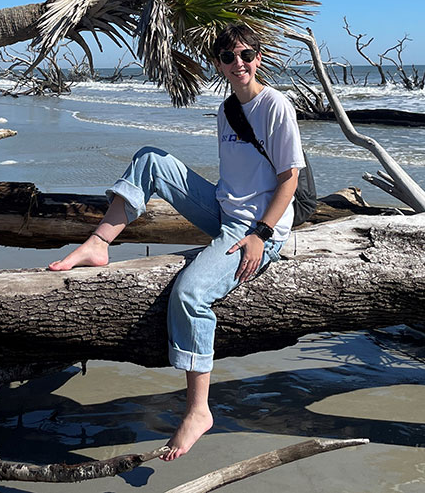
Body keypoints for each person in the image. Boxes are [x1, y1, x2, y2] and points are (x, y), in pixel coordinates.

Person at [47, 23, 305, 461]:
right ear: (219, 64)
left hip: (257, 228)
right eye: (228, 57)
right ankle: (97, 243)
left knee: (189, 294)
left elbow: (289, 180)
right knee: (151, 159)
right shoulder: (227, 111)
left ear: (258, 58)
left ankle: (199, 410)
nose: (238, 63)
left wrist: (260, 235)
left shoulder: (275, 106)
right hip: (224, 210)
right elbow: (238, 179)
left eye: (246, 55)